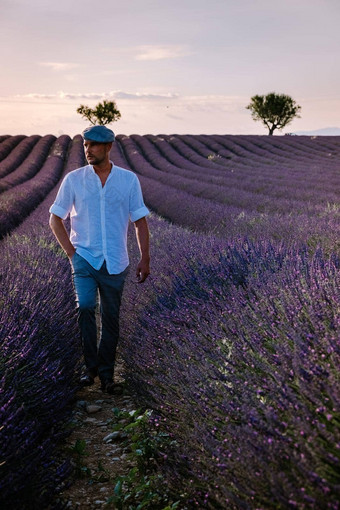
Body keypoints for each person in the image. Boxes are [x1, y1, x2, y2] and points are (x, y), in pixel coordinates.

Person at [49, 125, 150, 394]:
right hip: (84, 259)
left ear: (108, 147)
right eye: (85, 144)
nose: (88, 150)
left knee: (111, 319)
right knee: (84, 308)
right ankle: (89, 368)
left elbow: (140, 222)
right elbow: (55, 219)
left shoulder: (128, 180)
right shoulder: (74, 179)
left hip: (116, 261)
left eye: (93, 145)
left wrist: (145, 259)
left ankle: (107, 376)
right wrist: (72, 255)